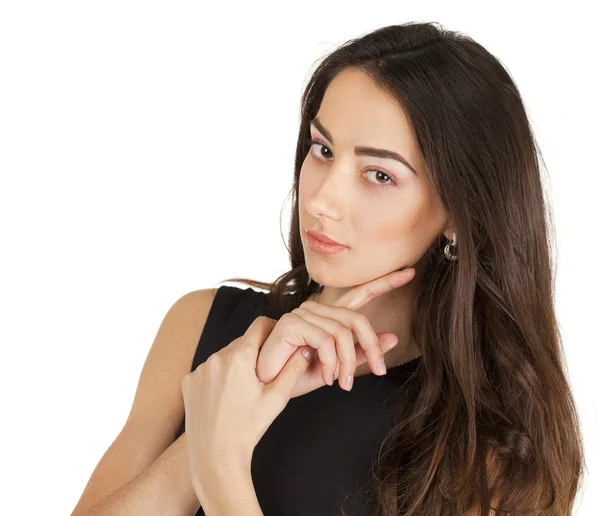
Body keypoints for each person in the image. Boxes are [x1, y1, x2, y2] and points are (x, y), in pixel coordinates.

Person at [71, 21, 585, 515]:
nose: (321, 198)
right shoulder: (201, 328)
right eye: (322, 149)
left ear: (458, 212)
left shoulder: (490, 443)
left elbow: (221, 469)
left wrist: (222, 469)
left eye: (379, 174)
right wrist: (218, 428)